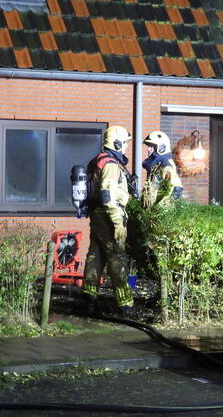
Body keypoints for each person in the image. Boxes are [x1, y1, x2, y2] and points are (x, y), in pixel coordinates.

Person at [81, 125, 135, 317]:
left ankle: (89, 300)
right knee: (117, 257)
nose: (126, 147)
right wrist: (117, 222)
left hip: (97, 216)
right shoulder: (111, 164)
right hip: (109, 217)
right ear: (117, 143)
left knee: (95, 257)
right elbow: (107, 195)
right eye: (125, 143)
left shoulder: (98, 160)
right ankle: (125, 305)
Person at [140, 131, 183, 208]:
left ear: (161, 148)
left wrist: (160, 209)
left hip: (160, 212)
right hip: (151, 210)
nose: (148, 149)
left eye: (151, 146)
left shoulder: (166, 166)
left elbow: (176, 189)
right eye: (148, 146)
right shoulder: (157, 165)